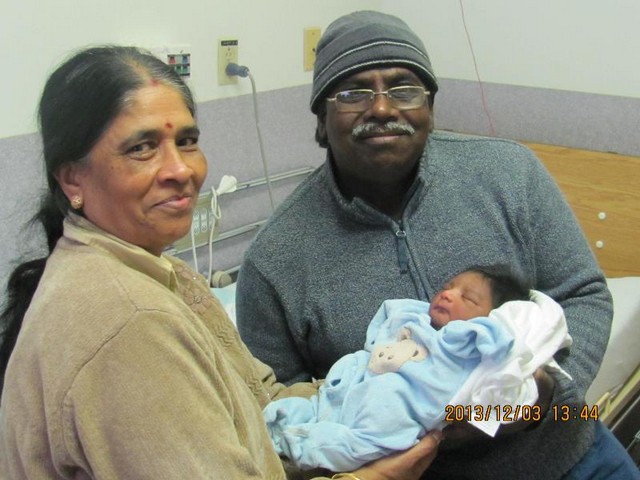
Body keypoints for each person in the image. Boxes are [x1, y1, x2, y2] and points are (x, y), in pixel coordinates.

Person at [0, 45, 441, 480]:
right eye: (142, 148)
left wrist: (399, 381)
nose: (181, 170)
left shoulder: (162, 273)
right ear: (72, 178)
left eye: (187, 141)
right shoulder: (134, 319)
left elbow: (260, 404)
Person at [236, 10, 639, 480]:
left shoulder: (510, 175)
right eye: (353, 93)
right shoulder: (274, 260)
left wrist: (542, 393)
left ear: (429, 108)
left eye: (404, 89)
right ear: (322, 122)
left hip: (573, 454)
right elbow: (278, 412)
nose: (382, 108)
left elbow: (583, 293)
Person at [263, 268, 572, 472]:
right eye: (447, 287)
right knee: (301, 409)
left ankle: (302, 444)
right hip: (348, 395)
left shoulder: (463, 339)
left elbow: (500, 343)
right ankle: (277, 427)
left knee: (353, 443)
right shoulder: (416, 320)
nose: (448, 293)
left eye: (468, 298)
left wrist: (539, 392)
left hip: (392, 424)